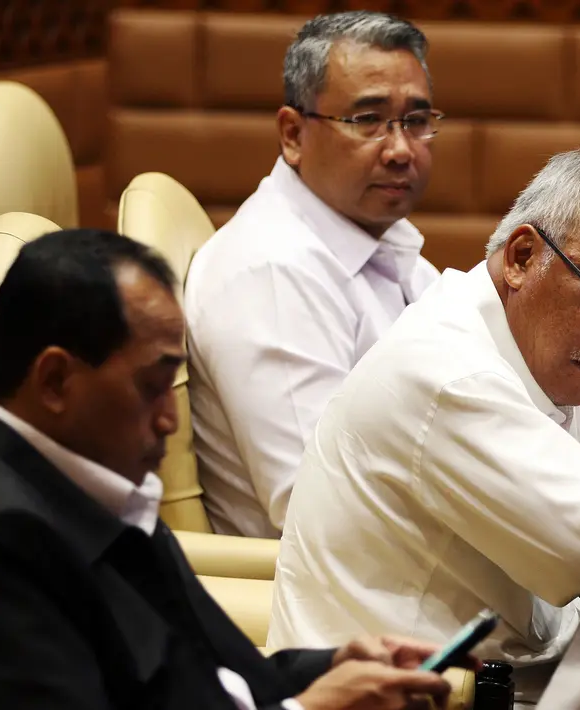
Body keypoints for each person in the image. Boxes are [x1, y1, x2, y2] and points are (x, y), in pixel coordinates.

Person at [0, 229, 469, 710]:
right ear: (55, 381)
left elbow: (210, 671)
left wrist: (329, 667)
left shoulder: (84, 477)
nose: (170, 420)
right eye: (152, 387)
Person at [268, 150, 580, 683]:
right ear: (521, 257)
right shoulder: (450, 373)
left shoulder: (528, 348)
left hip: (510, 674)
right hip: (410, 694)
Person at [184, 11, 443, 538]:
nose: (400, 149)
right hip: (352, 606)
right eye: (367, 120)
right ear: (293, 134)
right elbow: (318, 507)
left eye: (416, 122)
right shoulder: (273, 272)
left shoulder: (380, 239)